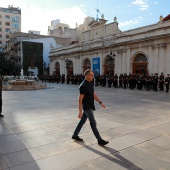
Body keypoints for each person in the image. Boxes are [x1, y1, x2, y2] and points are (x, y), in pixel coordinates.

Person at [72, 69, 109, 146]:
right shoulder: (83, 85)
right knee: (93, 122)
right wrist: (80, 111)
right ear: (87, 76)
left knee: (82, 121)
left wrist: (100, 102)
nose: (93, 77)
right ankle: (99, 140)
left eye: (93, 75)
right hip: (87, 107)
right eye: (92, 75)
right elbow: (80, 99)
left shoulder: (90, 83)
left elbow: (93, 94)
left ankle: (75, 135)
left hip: (90, 105)